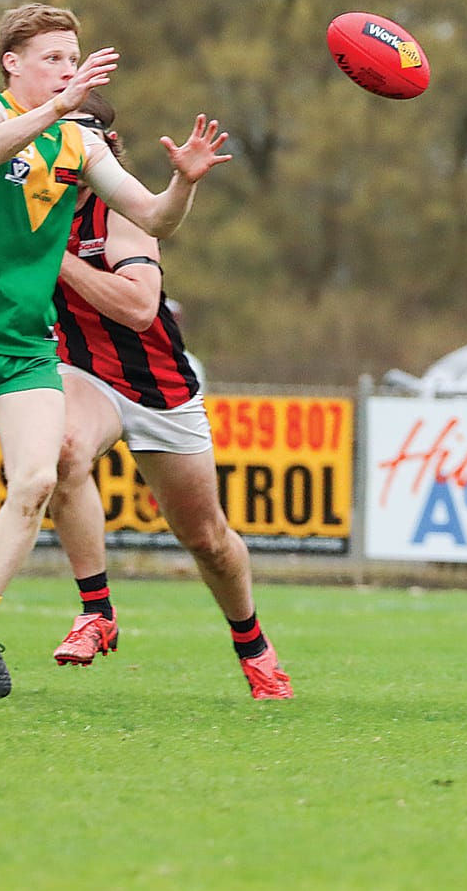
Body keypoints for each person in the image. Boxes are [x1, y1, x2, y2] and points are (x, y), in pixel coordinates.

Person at [0, 3, 230, 697]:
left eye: (74, 57)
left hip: (27, 345)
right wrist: (60, 104)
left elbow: (152, 217)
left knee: (33, 480)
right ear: (13, 63)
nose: (69, 70)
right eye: (54, 57)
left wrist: (183, 182)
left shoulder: (80, 145)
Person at [43, 93, 291, 699]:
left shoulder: (115, 213)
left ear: (99, 149)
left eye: (75, 141)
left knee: (206, 538)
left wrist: (57, 261)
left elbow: (137, 307)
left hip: (158, 389)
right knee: (63, 450)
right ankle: (96, 610)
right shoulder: (26, 210)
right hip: (84, 374)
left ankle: (253, 646)